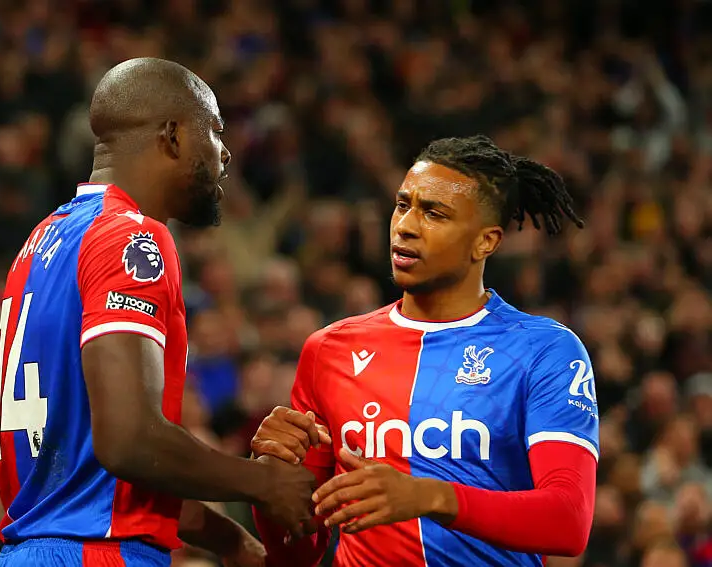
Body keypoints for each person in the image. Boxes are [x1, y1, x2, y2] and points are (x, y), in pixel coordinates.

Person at [0, 58, 316, 567]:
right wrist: (264, 482)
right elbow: (129, 441)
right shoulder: (133, 237)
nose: (225, 151)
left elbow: (105, 478)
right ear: (173, 136)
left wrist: (233, 543)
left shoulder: (44, 240)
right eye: (214, 130)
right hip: (97, 554)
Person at [251, 135, 599, 566]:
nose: (406, 226)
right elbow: (297, 554)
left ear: (485, 242)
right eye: (403, 205)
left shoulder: (544, 350)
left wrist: (428, 496)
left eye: (434, 213)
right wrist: (270, 482)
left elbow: (569, 520)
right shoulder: (329, 350)